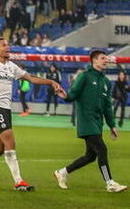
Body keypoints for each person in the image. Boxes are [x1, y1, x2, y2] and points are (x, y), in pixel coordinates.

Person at [0, 38, 62, 191]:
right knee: (10, 141)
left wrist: (51, 82)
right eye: (4, 45)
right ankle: (19, 181)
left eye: (8, 44)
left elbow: (31, 78)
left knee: (0, 148)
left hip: (6, 109)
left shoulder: (12, 67)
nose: (8, 47)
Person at [53, 51, 126, 193]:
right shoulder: (84, 76)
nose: (106, 60)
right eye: (102, 58)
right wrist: (65, 96)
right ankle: (110, 183)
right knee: (102, 149)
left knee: (91, 156)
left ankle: (62, 172)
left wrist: (112, 125)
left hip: (97, 123)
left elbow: (107, 107)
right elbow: (73, 94)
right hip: (86, 121)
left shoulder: (105, 82)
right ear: (94, 60)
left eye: (106, 58)